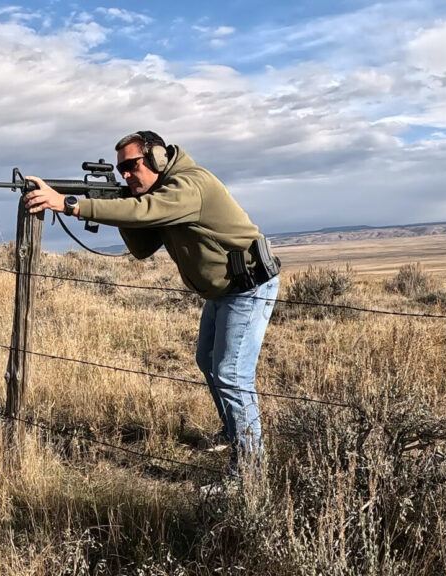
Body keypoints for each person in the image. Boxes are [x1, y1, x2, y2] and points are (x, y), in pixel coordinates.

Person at [24, 131, 280, 474]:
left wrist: (72, 205)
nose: (126, 174)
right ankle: (234, 432)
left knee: (231, 374)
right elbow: (143, 247)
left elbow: (146, 211)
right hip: (222, 290)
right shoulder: (159, 192)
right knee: (207, 361)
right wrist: (115, 201)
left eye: (132, 165)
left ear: (158, 158)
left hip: (247, 287)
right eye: (121, 170)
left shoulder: (189, 185)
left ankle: (250, 471)